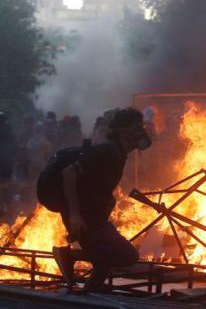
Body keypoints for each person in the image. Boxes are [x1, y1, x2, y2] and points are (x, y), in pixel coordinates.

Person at [52, 108, 152, 293]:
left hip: (96, 215)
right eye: (136, 127)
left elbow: (147, 143)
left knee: (105, 259)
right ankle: (69, 255)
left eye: (142, 126)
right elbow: (69, 173)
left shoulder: (119, 152)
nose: (141, 131)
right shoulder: (108, 151)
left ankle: (88, 295)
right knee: (127, 256)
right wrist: (74, 214)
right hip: (84, 217)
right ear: (123, 130)